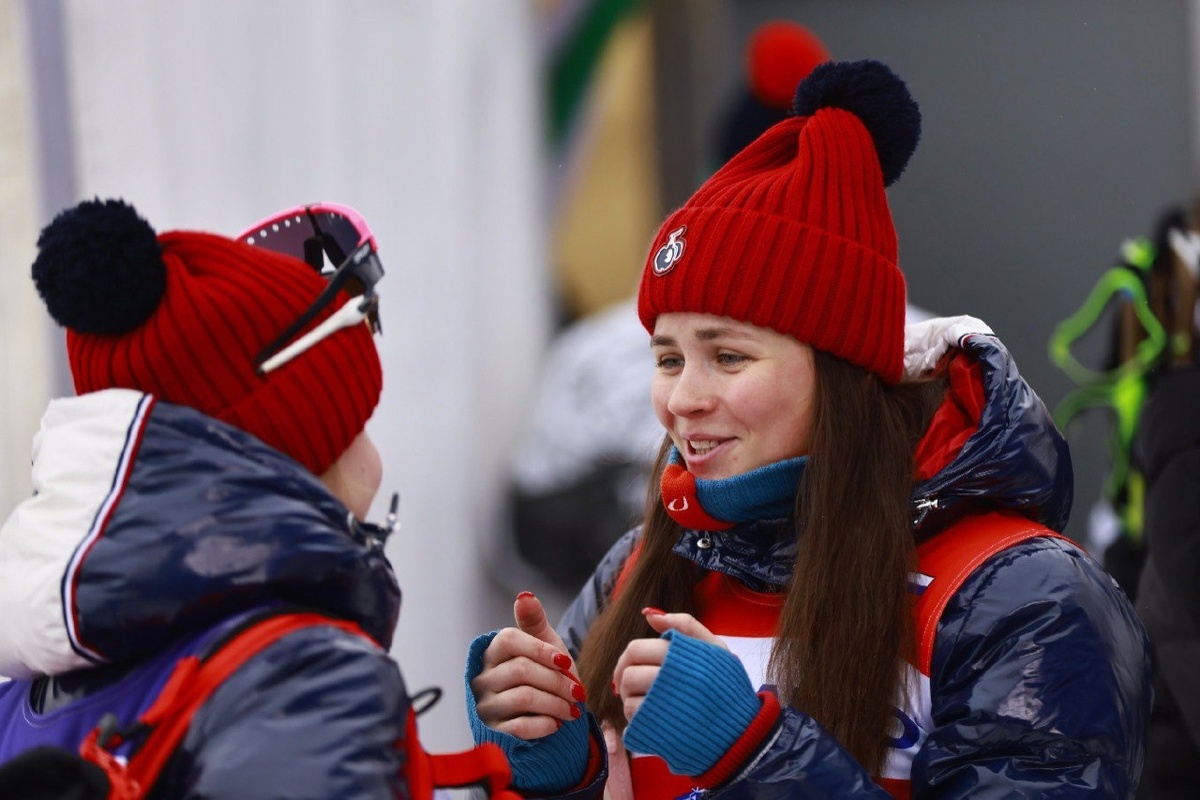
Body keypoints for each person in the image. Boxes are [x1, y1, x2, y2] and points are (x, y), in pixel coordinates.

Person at [461, 59, 1152, 798]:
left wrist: (758, 758)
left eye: (728, 356)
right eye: (667, 357)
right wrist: (549, 770)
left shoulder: (1021, 597)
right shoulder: (641, 570)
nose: (681, 399)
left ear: (841, 370)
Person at [0, 198, 407, 797]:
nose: (371, 448)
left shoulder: (23, 698)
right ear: (293, 454)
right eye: (356, 421)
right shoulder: (304, 683)